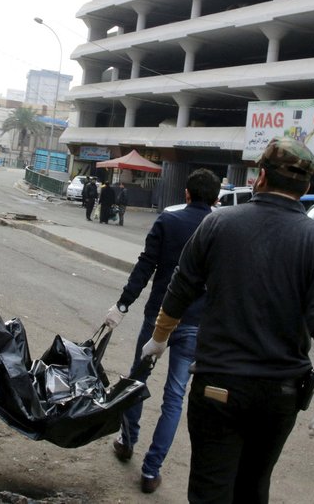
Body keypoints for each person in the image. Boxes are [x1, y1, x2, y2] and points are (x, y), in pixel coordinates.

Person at [140, 137, 314, 503]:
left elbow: (180, 287)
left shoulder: (218, 224)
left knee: (211, 491)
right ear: (305, 187)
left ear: (260, 178)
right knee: (253, 489)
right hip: (280, 394)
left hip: (218, 386)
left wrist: (160, 338)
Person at [103, 168, 221, 494]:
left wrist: (122, 305)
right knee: (175, 396)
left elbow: (145, 266)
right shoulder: (221, 229)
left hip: (158, 317)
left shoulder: (167, 221)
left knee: (137, 380)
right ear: (216, 199)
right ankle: (151, 470)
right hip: (195, 325)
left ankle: (127, 441)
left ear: (185, 194)